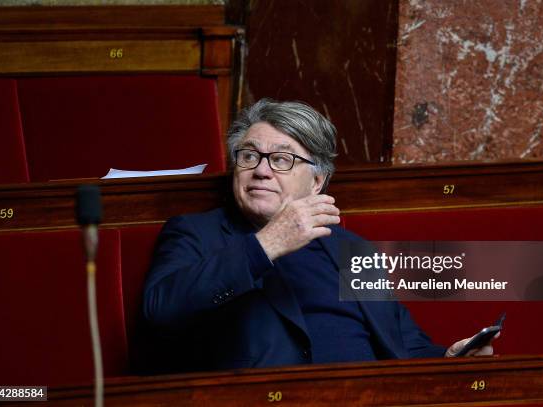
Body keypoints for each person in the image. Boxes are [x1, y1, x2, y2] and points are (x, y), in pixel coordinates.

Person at [142, 98, 494, 372]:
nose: (261, 170)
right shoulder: (195, 233)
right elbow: (160, 311)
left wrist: (448, 358)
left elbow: (401, 341)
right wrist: (266, 244)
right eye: (249, 156)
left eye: (282, 159)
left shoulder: (351, 249)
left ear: (316, 181)